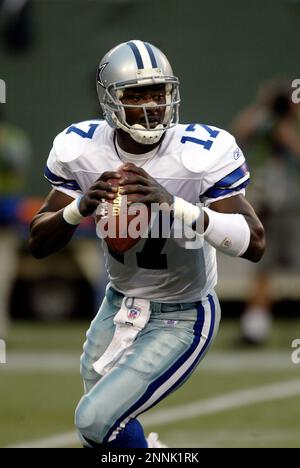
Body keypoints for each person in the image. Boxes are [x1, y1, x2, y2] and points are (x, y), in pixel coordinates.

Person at [29, 40, 265, 448]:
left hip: (184, 314)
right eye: (135, 95)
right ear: (110, 100)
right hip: (119, 303)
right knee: (102, 433)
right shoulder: (81, 149)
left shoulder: (199, 153)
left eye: (159, 93)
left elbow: (254, 242)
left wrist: (176, 205)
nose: (151, 105)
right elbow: (38, 240)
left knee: (94, 418)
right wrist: (78, 208)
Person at [231, 78, 300, 345]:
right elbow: (239, 131)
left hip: (294, 207)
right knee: (262, 268)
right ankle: (254, 330)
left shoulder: (291, 126)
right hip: (267, 208)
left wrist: (287, 123)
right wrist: (264, 105)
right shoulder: (264, 123)